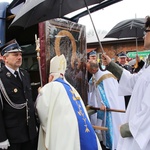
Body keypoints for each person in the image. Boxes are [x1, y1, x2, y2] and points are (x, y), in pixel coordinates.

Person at [101, 16, 150, 150]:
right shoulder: (147, 66)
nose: (143, 36)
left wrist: (127, 128)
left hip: (142, 138)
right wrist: (111, 65)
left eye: (146, 32)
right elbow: (132, 82)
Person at [36, 54, 102, 150]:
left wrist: (40, 95)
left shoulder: (50, 87)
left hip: (65, 132)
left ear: (51, 77)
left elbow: (42, 111)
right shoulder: (71, 88)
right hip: (79, 129)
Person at [0, 39, 38, 150]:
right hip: (13, 136)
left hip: (29, 133)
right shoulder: (1, 78)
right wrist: (2, 138)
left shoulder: (24, 74)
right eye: (15, 54)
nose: (19, 57)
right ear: (5, 58)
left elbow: (28, 100)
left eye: (20, 54)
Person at [86, 60, 125, 150]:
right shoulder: (100, 74)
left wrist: (104, 104)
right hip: (110, 103)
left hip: (110, 105)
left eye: (88, 69)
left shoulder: (103, 77)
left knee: (110, 124)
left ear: (93, 69)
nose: (87, 71)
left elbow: (104, 93)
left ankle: (111, 144)